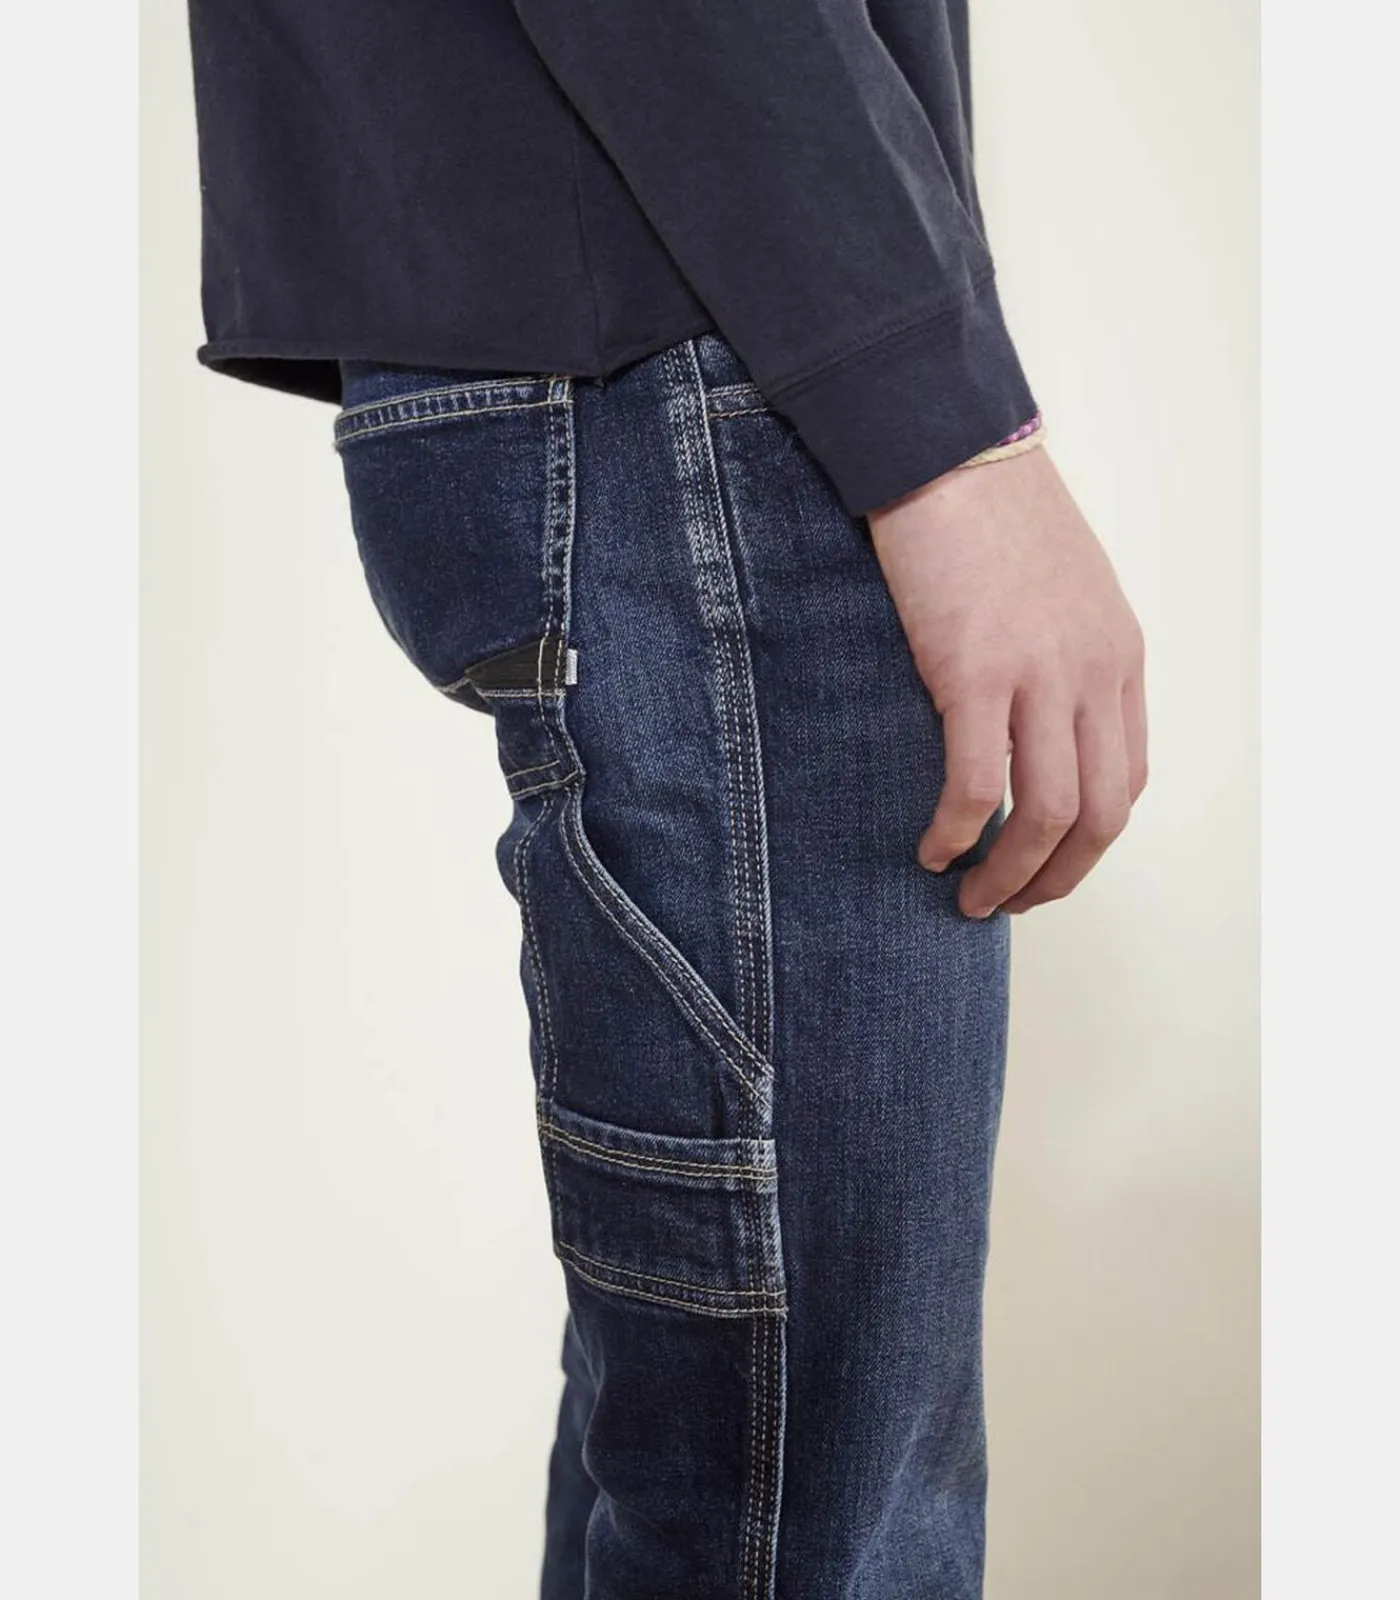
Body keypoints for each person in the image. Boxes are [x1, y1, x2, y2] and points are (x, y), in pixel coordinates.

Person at [185, 2, 1147, 1594]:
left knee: (731, 1471)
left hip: (621, 341)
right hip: (707, 356)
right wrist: (941, 422)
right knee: (810, 1520)